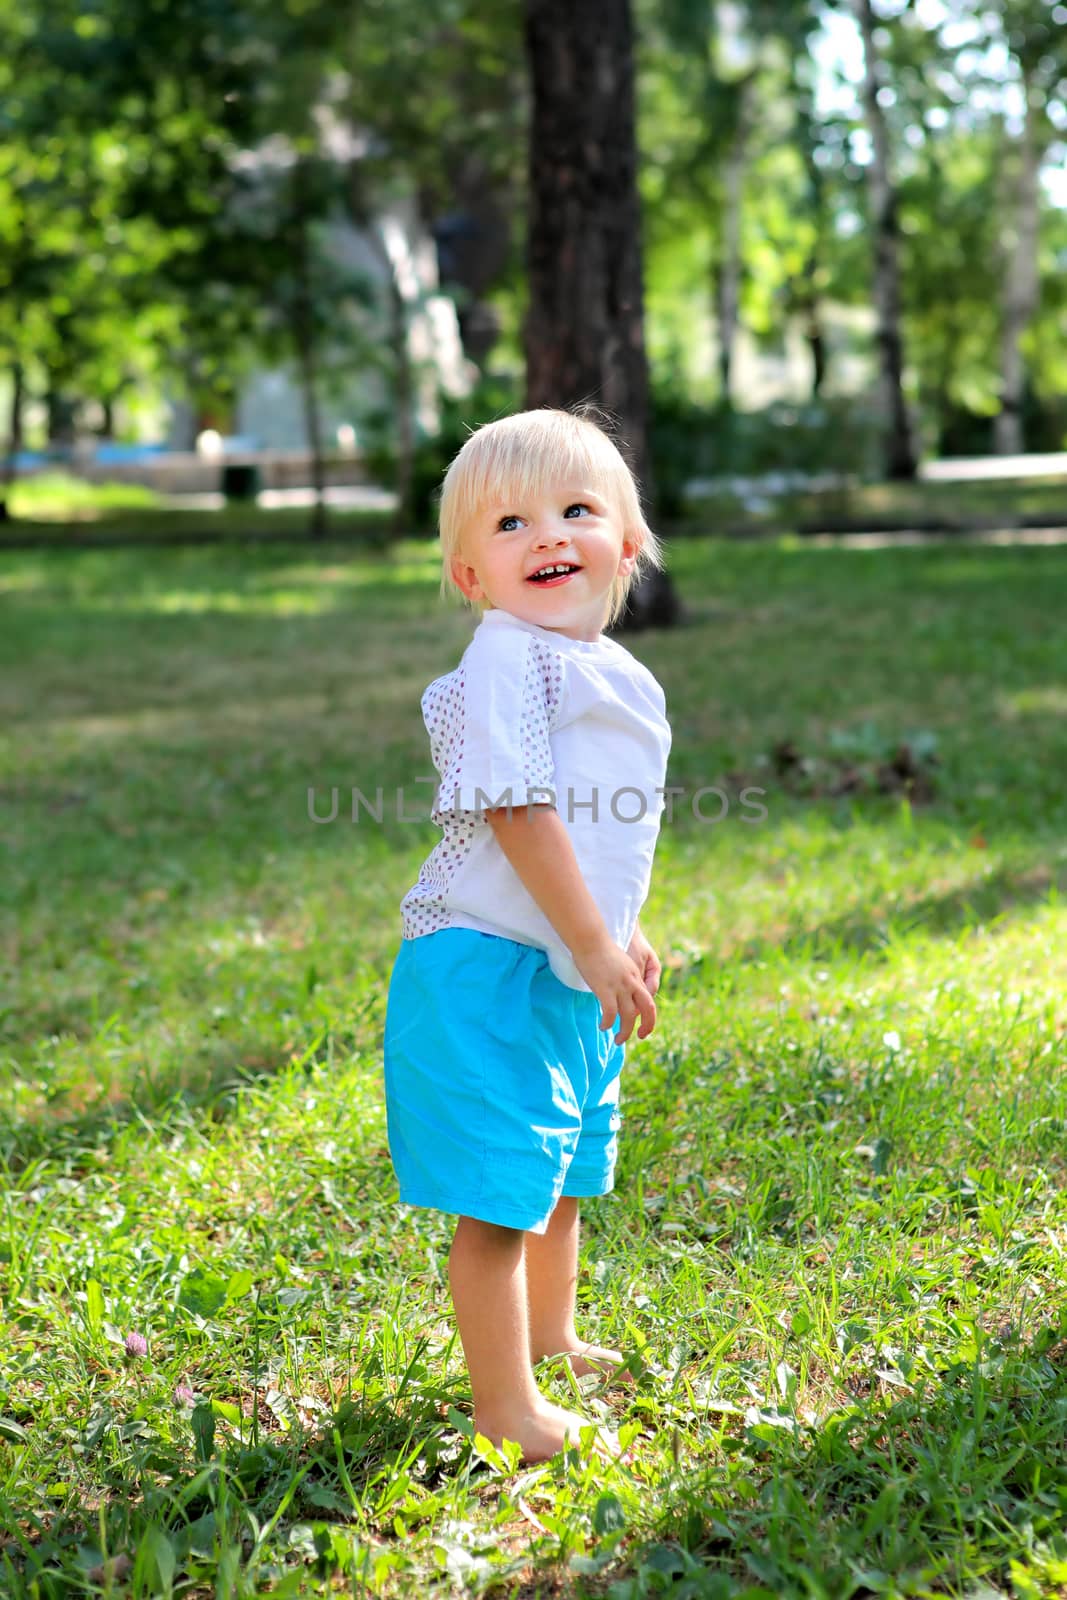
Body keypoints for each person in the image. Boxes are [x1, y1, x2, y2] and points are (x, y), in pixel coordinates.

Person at [383, 407, 672, 1463]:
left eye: (575, 510)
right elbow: (515, 809)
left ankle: (549, 1336)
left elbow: (602, 827)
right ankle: (504, 1405)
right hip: (486, 963)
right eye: (509, 523)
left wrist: (619, 932)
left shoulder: (612, 672)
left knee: (558, 1172)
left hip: (562, 958)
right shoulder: (510, 658)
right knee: (501, 1194)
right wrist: (587, 944)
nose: (546, 534)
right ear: (471, 576)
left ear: (627, 541)